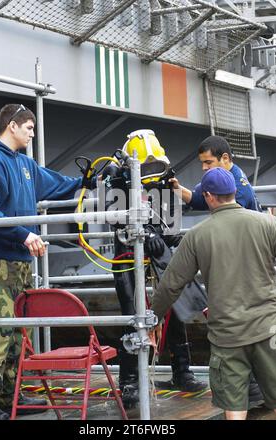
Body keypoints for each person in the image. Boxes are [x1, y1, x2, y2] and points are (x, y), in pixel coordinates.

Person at [0, 104, 94, 420]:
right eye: (29, 127)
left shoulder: (25, 165)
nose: (32, 133)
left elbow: (56, 183)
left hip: (18, 261)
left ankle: (9, 395)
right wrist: (24, 235)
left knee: (18, 331)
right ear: (12, 126)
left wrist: (89, 179)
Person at [151, 167, 276, 420]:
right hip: (269, 329)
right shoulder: (267, 223)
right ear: (233, 191)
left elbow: (171, 284)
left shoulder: (198, 235)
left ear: (208, 196)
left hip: (227, 336)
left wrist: (153, 317)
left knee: (234, 407)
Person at [102, 129, 206, 409]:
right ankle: (129, 382)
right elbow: (114, 220)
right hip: (127, 258)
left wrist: (185, 240)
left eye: (153, 166)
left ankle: (182, 371)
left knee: (175, 310)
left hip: (158, 258)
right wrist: (146, 234)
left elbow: (170, 231)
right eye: (144, 165)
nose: (149, 171)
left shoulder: (164, 183)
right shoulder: (116, 183)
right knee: (130, 316)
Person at [173, 135, 261, 211]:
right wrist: (176, 188)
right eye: (202, 163)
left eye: (208, 162)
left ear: (225, 158)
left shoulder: (238, 191)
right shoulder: (224, 175)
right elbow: (200, 200)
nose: (204, 168)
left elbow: (230, 225)